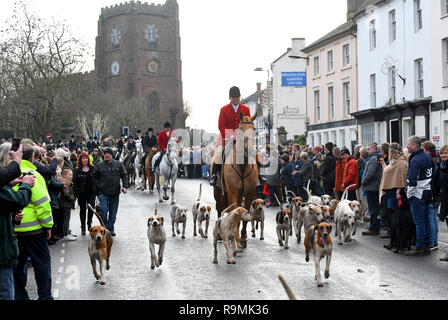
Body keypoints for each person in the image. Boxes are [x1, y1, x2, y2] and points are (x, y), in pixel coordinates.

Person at [13, 144, 54, 300]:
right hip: (35, 231)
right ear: (32, 157)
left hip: (15, 230)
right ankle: (44, 297)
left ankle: (20, 296)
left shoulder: (8, 174)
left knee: (17, 267)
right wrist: (48, 226)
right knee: (42, 266)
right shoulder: (33, 175)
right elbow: (43, 203)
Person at [0, 143, 35, 300]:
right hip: (2, 254)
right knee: (6, 293)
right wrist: (26, 186)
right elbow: (17, 200)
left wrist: (9, 183)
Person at [209, 86, 251, 186]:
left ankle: (257, 176)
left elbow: (248, 125)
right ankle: (214, 175)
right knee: (219, 153)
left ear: (240, 97)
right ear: (230, 98)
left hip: (241, 138)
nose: (236, 99)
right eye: (233, 98)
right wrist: (230, 135)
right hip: (226, 137)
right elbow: (221, 125)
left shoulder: (246, 109)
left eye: (237, 97)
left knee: (252, 152)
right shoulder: (224, 109)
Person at [405, 136, 432, 256]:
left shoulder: (415, 159)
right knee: (425, 220)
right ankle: (427, 244)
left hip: (417, 193)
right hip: (427, 190)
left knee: (419, 221)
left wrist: (409, 194)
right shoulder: (427, 156)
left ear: (414, 146)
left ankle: (420, 245)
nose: (407, 146)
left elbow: (412, 179)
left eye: (409, 144)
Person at [378, 142, 408, 247]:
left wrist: (398, 191)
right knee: (391, 220)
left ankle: (397, 242)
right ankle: (393, 241)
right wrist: (383, 164)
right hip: (390, 192)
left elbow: (401, 178)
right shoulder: (394, 162)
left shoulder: (401, 162)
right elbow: (389, 173)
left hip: (395, 193)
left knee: (396, 220)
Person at [93, 147, 128, 236]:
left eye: (108, 153)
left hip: (115, 193)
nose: (107, 155)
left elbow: (124, 175)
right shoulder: (99, 165)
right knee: (103, 210)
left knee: (113, 213)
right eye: (105, 154)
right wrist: (99, 186)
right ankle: (105, 228)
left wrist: (125, 186)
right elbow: (94, 177)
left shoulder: (119, 164)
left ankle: (110, 229)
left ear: (111, 155)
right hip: (103, 193)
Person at [362, 143, 383, 236]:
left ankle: (373, 228)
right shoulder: (374, 158)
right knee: (374, 209)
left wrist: (363, 182)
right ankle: (373, 226)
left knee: (373, 209)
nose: (367, 151)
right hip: (373, 186)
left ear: (374, 149)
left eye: (369, 149)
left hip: (372, 187)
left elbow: (371, 173)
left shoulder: (374, 159)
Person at [422, 141, 440, 252]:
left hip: (433, 194)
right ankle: (434, 241)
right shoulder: (436, 161)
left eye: (423, 149)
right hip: (436, 194)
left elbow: (432, 181)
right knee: (433, 218)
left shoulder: (432, 163)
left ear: (427, 150)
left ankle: (432, 242)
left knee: (431, 218)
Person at [74, 152, 96, 235]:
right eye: (83, 158)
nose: (85, 160)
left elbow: (96, 179)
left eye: (86, 158)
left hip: (91, 192)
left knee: (91, 209)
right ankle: (83, 226)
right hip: (81, 193)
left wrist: (96, 190)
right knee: (82, 210)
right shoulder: (77, 169)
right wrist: (76, 193)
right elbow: (75, 182)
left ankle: (89, 223)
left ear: (88, 159)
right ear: (80, 160)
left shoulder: (93, 168)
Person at [59, 169, 77, 241]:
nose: (71, 176)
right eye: (70, 175)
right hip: (65, 204)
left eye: (71, 175)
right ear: (65, 175)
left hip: (67, 204)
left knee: (67, 219)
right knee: (66, 219)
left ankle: (67, 232)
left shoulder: (68, 183)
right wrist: (73, 198)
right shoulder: (65, 184)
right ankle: (66, 234)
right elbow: (66, 194)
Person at [439, 144, 448, 261]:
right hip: (445, 200)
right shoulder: (441, 166)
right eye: (442, 153)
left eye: (446, 153)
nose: (443, 155)